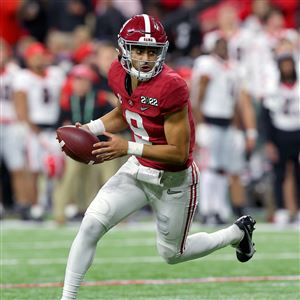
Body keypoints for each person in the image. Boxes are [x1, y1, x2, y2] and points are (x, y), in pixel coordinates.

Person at [60, 14, 256, 300]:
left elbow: (178, 154)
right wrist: (90, 128)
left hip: (173, 178)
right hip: (138, 168)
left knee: (173, 255)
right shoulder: (117, 72)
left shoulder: (172, 86)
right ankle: (67, 298)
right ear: (124, 50)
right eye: (138, 50)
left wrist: (127, 147)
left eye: (152, 51)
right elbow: (126, 111)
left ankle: (237, 234)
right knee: (90, 224)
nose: (145, 58)